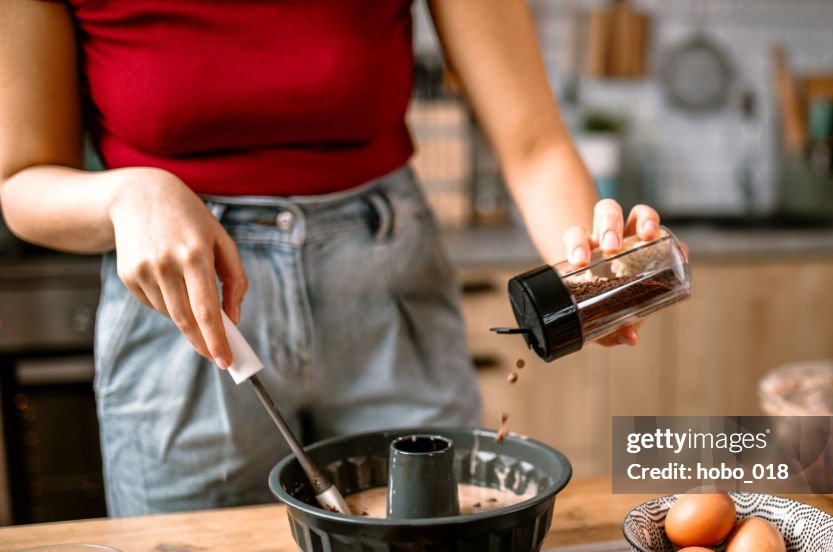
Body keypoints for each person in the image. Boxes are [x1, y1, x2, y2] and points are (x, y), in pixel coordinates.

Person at [0, 1, 670, 516]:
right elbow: (22, 181)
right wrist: (128, 195)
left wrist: (594, 267)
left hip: (388, 294)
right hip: (185, 313)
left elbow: (532, 144)